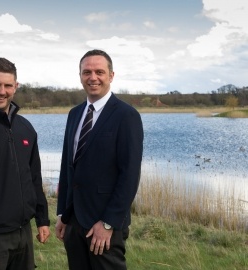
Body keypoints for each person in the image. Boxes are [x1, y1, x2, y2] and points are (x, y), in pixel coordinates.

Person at [55, 49, 144, 270]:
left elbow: (130, 175)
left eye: (99, 72)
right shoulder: (74, 114)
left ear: (111, 76)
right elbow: (67, 167)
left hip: (104, 225)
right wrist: (62, 214)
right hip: (74, 221)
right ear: (80, 76)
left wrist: (108, 222)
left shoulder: (126, 116)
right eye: (87, 72)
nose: (92, 77)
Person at [0, 58, 50, 270]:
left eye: (8, 85)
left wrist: (43, 219)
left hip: (23, 233)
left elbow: (34, 177)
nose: (2, 91)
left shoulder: (25, 128)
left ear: (16, 87)